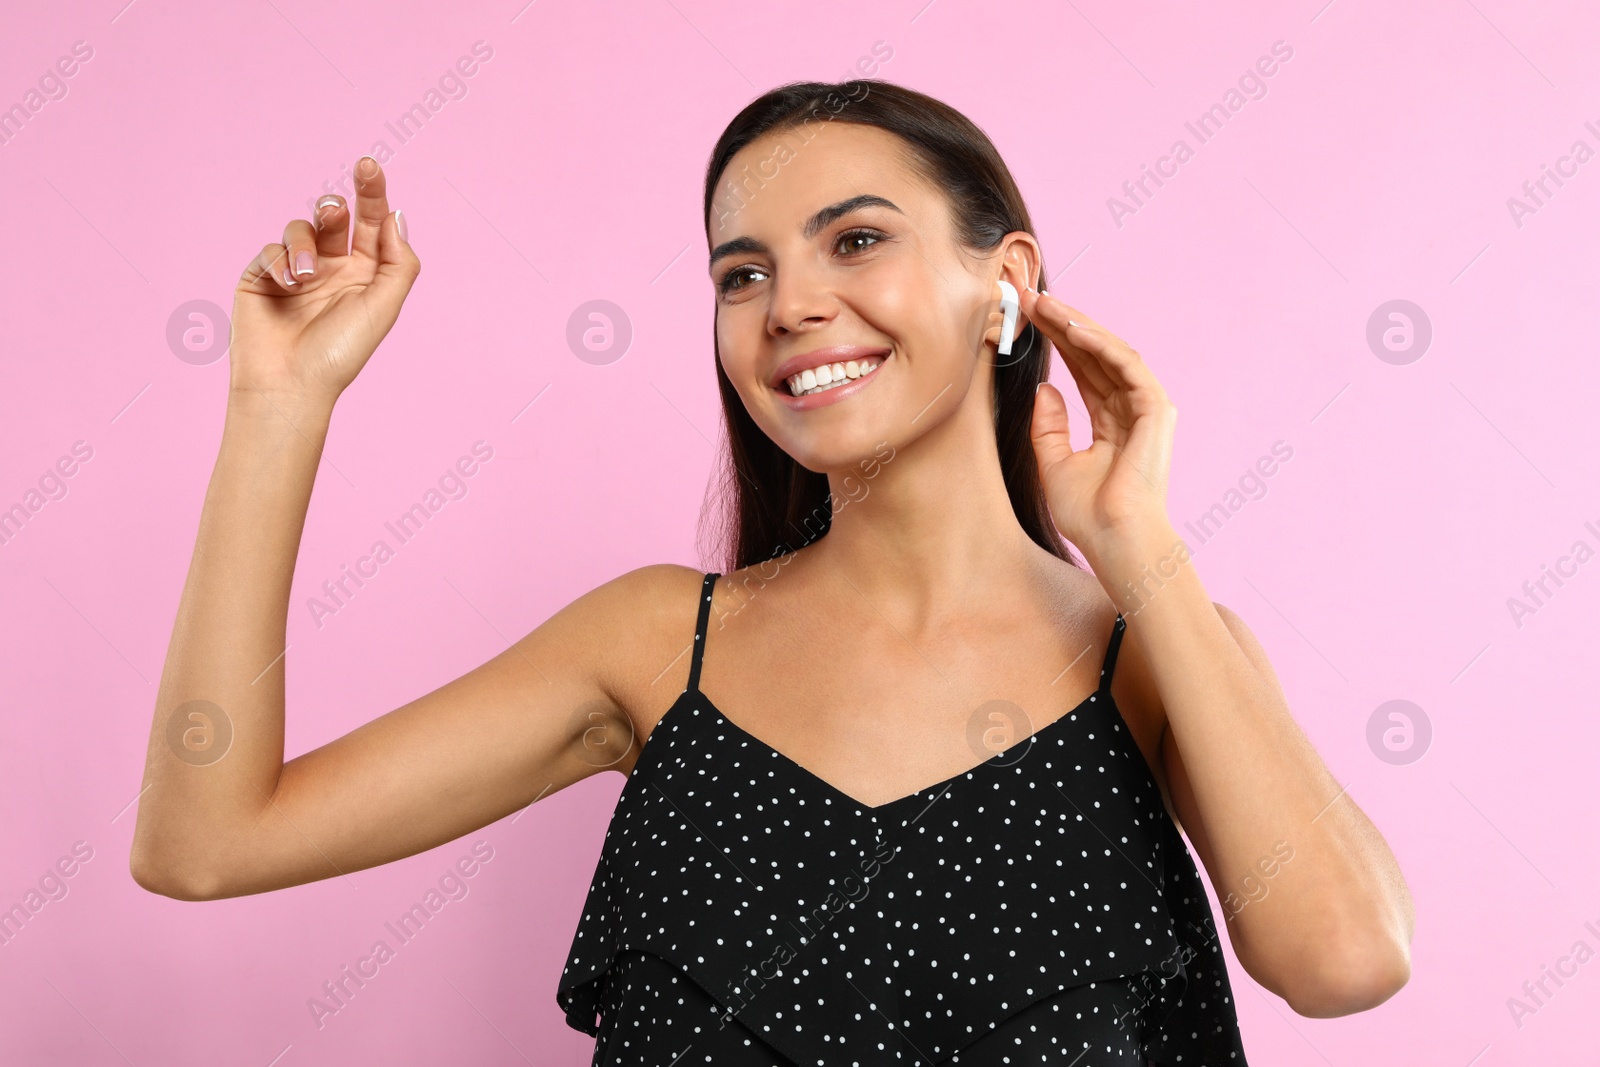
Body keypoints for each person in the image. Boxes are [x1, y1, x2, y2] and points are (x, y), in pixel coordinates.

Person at [131, 79, 1413, 1064]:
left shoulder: (1161, 655)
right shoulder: (653, 642)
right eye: (741, 271)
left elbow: (1345, 960)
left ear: (1003, 282)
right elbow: (206, 842)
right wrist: (277, 403)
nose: (788, 302)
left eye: (854, 241)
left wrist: (1140, 545)